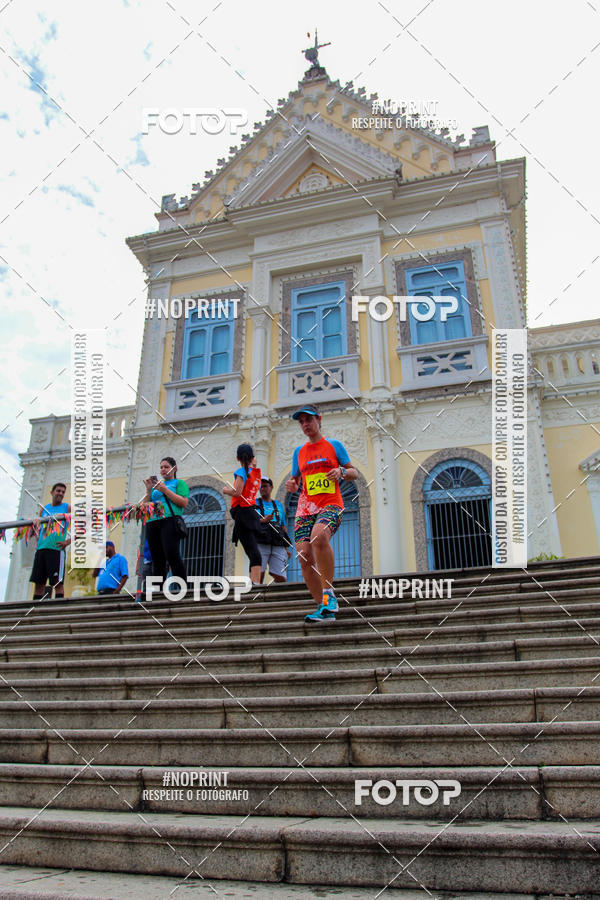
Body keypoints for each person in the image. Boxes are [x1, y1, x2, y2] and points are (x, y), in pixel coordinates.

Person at [285, 405, 358, 622]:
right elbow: (295, 480)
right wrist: (291, 484)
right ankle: (323, 608)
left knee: (319, 536)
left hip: (331, 504)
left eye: (309, 419)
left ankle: (329, 594)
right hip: (306, 507)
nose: (305, 424)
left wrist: (342, 472)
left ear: (319, 419)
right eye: (301, 422)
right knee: (304, 555)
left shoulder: (334, 446)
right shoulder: (299, 452)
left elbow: (353, 472)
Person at [142, 457, 189, 589]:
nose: (163, 470)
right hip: (153, 522)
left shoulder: (178, 483)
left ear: (174, 468)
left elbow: (183, 502)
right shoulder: (156, 487)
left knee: (172, 554)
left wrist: (165, 490)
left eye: (166, 467)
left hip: (169, 521)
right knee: (157, 558)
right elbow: (145, 506)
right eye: (161, 467)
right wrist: (148, 490)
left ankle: (182, 587)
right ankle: (157, 589)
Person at [223, 443, 262, 585]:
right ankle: (255, 581)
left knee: (253, 552)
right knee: (253, 550)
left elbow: (237, 492)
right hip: (250, 513)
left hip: (243, 513)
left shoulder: (241, 472)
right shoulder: (256, 473)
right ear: (252, 457)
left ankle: (255, 582)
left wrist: (226, 490)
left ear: (237, 458)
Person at [29, 482, 71, 601]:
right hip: (41, 549)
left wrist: (68, 541)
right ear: (52, 492)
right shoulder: (44, 508)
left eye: (63, 492)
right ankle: (35, 613)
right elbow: (37, 527)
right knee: (39, 584)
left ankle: (58, 613)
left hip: (56, 550)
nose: (61, 493)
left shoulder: (67, 508)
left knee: (58, 584)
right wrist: (37, 537)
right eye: (58, 491)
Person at [255, 476, 291, 583]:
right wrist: (263, 520)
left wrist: (286, 548)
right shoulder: (254, 503)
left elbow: (283, 526)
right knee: (258, 573)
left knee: (281, 576)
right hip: (261, 541)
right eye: (260, 487)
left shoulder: (278, 505)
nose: (262, 488)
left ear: (271, 487)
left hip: (278, 541)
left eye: (265, 486)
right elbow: (249, 522)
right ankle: (257, 595)